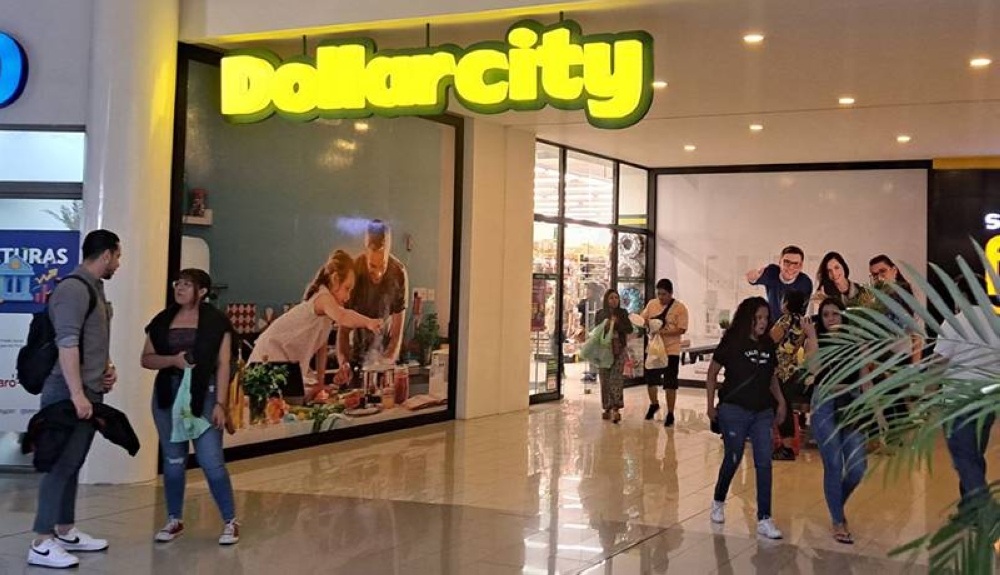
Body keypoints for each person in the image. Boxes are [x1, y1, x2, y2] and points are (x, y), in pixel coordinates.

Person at [28, 230, 121, 569]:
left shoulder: (95, 288)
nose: (119, 264)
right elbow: (67, 343)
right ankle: (41, 541)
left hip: (87, 390)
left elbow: (91, 341)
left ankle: (64, 529)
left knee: (73, 463)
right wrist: (78, 394)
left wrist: (106, 369)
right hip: (66, 393)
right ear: (106, 254)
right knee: (59, 464)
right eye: (118, 256)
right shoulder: (73, 289)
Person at [141, 269, 240, 545]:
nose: (180, 288)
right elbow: (146, 358)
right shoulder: (162, 320)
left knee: (211, 460)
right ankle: (174, 519)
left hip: (205, 392)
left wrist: (221, 403)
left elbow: (223, 364)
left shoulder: (216, 322)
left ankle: (230, 520)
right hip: (168, 393)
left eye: (187, 285)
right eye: (178, 284)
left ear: (203, 291)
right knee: (173, 461)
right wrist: (173, 361)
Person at [705, 296, 786, 540]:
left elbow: (771, 376)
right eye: (758, 318)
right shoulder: (732, 341)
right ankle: (719, 499)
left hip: (762, 411)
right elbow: (712, 373)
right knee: (733, 456)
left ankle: (765, 518)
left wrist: (781, 401)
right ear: (748, 318)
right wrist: (710, 406)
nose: (763, 322)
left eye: (766, 318)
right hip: (734, 409)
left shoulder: (768, 344)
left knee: (764, 461)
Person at [249, 250, 381, 395]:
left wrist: (320, 383)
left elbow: (321, 347)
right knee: (285, 399)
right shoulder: (323, 298)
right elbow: (343, 316)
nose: (348, 296)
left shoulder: (327, 314)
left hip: (284, 361)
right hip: (269, 354)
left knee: (304, 394)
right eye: (347, 289)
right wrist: (368, 322)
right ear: (335, 279)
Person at [803, 298, 869, 545]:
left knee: (857, 467)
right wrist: (812, 336)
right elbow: (814, 369)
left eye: (835, 313)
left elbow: (865, 377)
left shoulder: (856, 340)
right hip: (824, 402)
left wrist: (875, 410)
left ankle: (836, 504)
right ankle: (838, 520)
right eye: (826, 315)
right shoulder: (816, 339)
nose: (831, 318)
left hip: (852, 400)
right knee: (833, 464)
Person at [934, 275, 998, 514]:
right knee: (974, 456)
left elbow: (938, 363)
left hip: (958, 402)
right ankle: (969, 509)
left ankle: (986, 513)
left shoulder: (955, 322)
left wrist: (926, 395)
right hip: (987, 401)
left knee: (965, 459)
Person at [336, 220, 409, 385]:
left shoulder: (398, 273)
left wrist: (384, 363)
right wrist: (344, 363)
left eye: (382, 266)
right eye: (372, 266)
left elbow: (397, 334)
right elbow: (343, 331)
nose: (378, 273)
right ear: (365, 251)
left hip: (386, 362)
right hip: (356, 360)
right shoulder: (354, 272)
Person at [641, 279, 689, 427]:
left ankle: (670, 413)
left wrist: (662, 332)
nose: (661, 297)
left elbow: (682, 329)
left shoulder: (680, 308)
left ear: (671, 293)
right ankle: (654, 403)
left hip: (671, 351)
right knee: (651, 380)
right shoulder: (652, 304)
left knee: (670, 384)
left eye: (664, 294)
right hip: (654, 350)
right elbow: (643, 319)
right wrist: (646, 324)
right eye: (659, 294)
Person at [769, 290, 809, 461]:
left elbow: (771, 339)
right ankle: (787, 445)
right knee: (786, 405)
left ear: (786, 303)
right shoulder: (802, 322)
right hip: (792, 369)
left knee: (781, 405)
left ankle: (786, 447)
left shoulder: (785, 320)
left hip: (779, 370)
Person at [595, 289, 633, 423]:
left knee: (616, 379)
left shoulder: (623, 313)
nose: (614, 300)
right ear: (606, 299)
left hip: (619, 349)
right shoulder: (600, 314)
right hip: (604, 351)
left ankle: (616, 408)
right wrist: (606, 325)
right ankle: (607, 407)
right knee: (605, 379)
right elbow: (596, 331)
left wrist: (617, 324)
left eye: (616, 297)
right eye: (611, 298)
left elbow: (629, 329)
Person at [747, 246, 814, 322]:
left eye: (795, 264)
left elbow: (801, 312)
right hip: (771, 322)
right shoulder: (772, 271)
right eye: (786, 262)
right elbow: (755, 279)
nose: (790, 267)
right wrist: (752, 277)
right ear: (779, 262)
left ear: (801, 266)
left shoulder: (805, 283)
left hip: (791, 324)